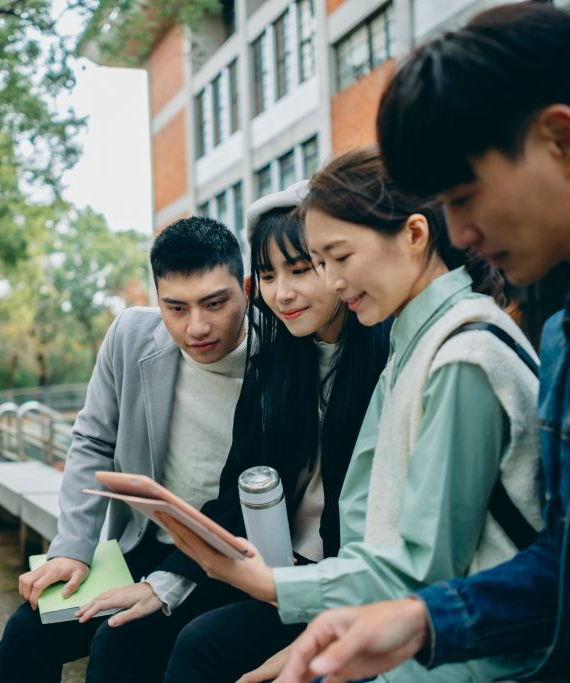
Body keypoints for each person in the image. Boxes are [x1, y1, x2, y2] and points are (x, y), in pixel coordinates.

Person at [277, 4, 570, 683]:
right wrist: (423, 618)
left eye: (465, 197)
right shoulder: (567, 341)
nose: (461, 232)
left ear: (561, 140)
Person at [162, 146, 544, 682]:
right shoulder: (415, 347)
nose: (332, 281)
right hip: (402, 633)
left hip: (463, 658)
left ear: (414, 237)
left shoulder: (462, 356)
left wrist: (272, 587)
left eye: (335, 258)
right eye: (320, 262)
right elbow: (369, 528)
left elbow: (424, 568)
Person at [76, 182, 389, 682]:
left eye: (301, 269)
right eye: (269, 275)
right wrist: (168, 578)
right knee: (128, 639)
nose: (283, 292)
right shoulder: (282, 359)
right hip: (274, 570)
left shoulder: (382, 357)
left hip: (345, 579)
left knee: (199, 646)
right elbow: (239, 480)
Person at [0, 216, 250, 682]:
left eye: (215, 303)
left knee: (119, 647)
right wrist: (71, 548)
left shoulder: (279, 357)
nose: (197, 327)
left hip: (231, 559)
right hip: (145, 544)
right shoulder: (132, 337)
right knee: (26, 635)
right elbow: (92, 442)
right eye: (176, 308)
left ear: (246, 289)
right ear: (157, 300)